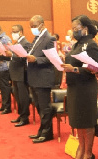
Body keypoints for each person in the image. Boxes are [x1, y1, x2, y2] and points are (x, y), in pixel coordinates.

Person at [61, 15, 98, 159]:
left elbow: (95, 68)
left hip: (86, 87)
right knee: (78, 121)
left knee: (86, 121)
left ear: (85, 29)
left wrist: (74, 69)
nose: (73, 31)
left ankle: (88, 155)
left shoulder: (91, 44)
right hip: (74, 87)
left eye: (76, 28)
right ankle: (81, 149)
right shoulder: (76, 44)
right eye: (73, 28)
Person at [27, 15, 56, 143]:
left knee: (45, 107)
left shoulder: (49, 38)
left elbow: (51, 58)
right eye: (31, 27)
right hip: (34, 77)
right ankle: (42, 130)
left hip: (43, 77)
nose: (32, 29)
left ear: (42, 24)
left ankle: (47, 132)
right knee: (39, 106)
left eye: (34, 26)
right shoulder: (37, 38)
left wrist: (36, 59)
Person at [9, 25, 31, 127]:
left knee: (23, 97)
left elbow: (24, 58)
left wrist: (12, 54)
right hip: (15, 73)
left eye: (15, 32)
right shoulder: (17, 42)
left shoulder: (25, 43)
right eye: (12, 32)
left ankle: (25, 117)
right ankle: (21, 115)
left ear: (21, 32)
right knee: (17, 96)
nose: (13, 34)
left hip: (21, 73)